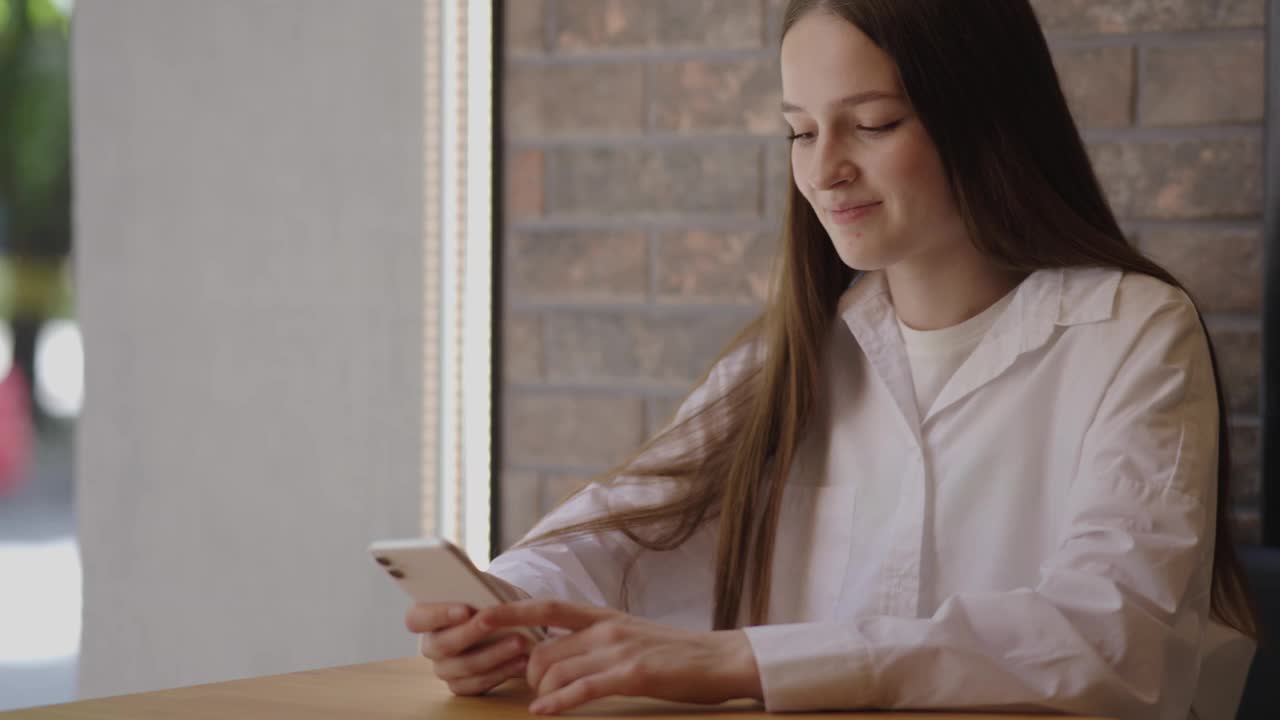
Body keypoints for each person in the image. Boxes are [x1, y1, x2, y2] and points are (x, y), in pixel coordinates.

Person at [405, 1, 1259, 718]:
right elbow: (624, 526)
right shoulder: (794, 359)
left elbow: (1108, 636)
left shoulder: (1131, 331)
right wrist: (508, 611)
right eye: (799, 132)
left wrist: (749, 661)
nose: (824, 170)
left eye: (873, 124)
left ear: (982, 117)